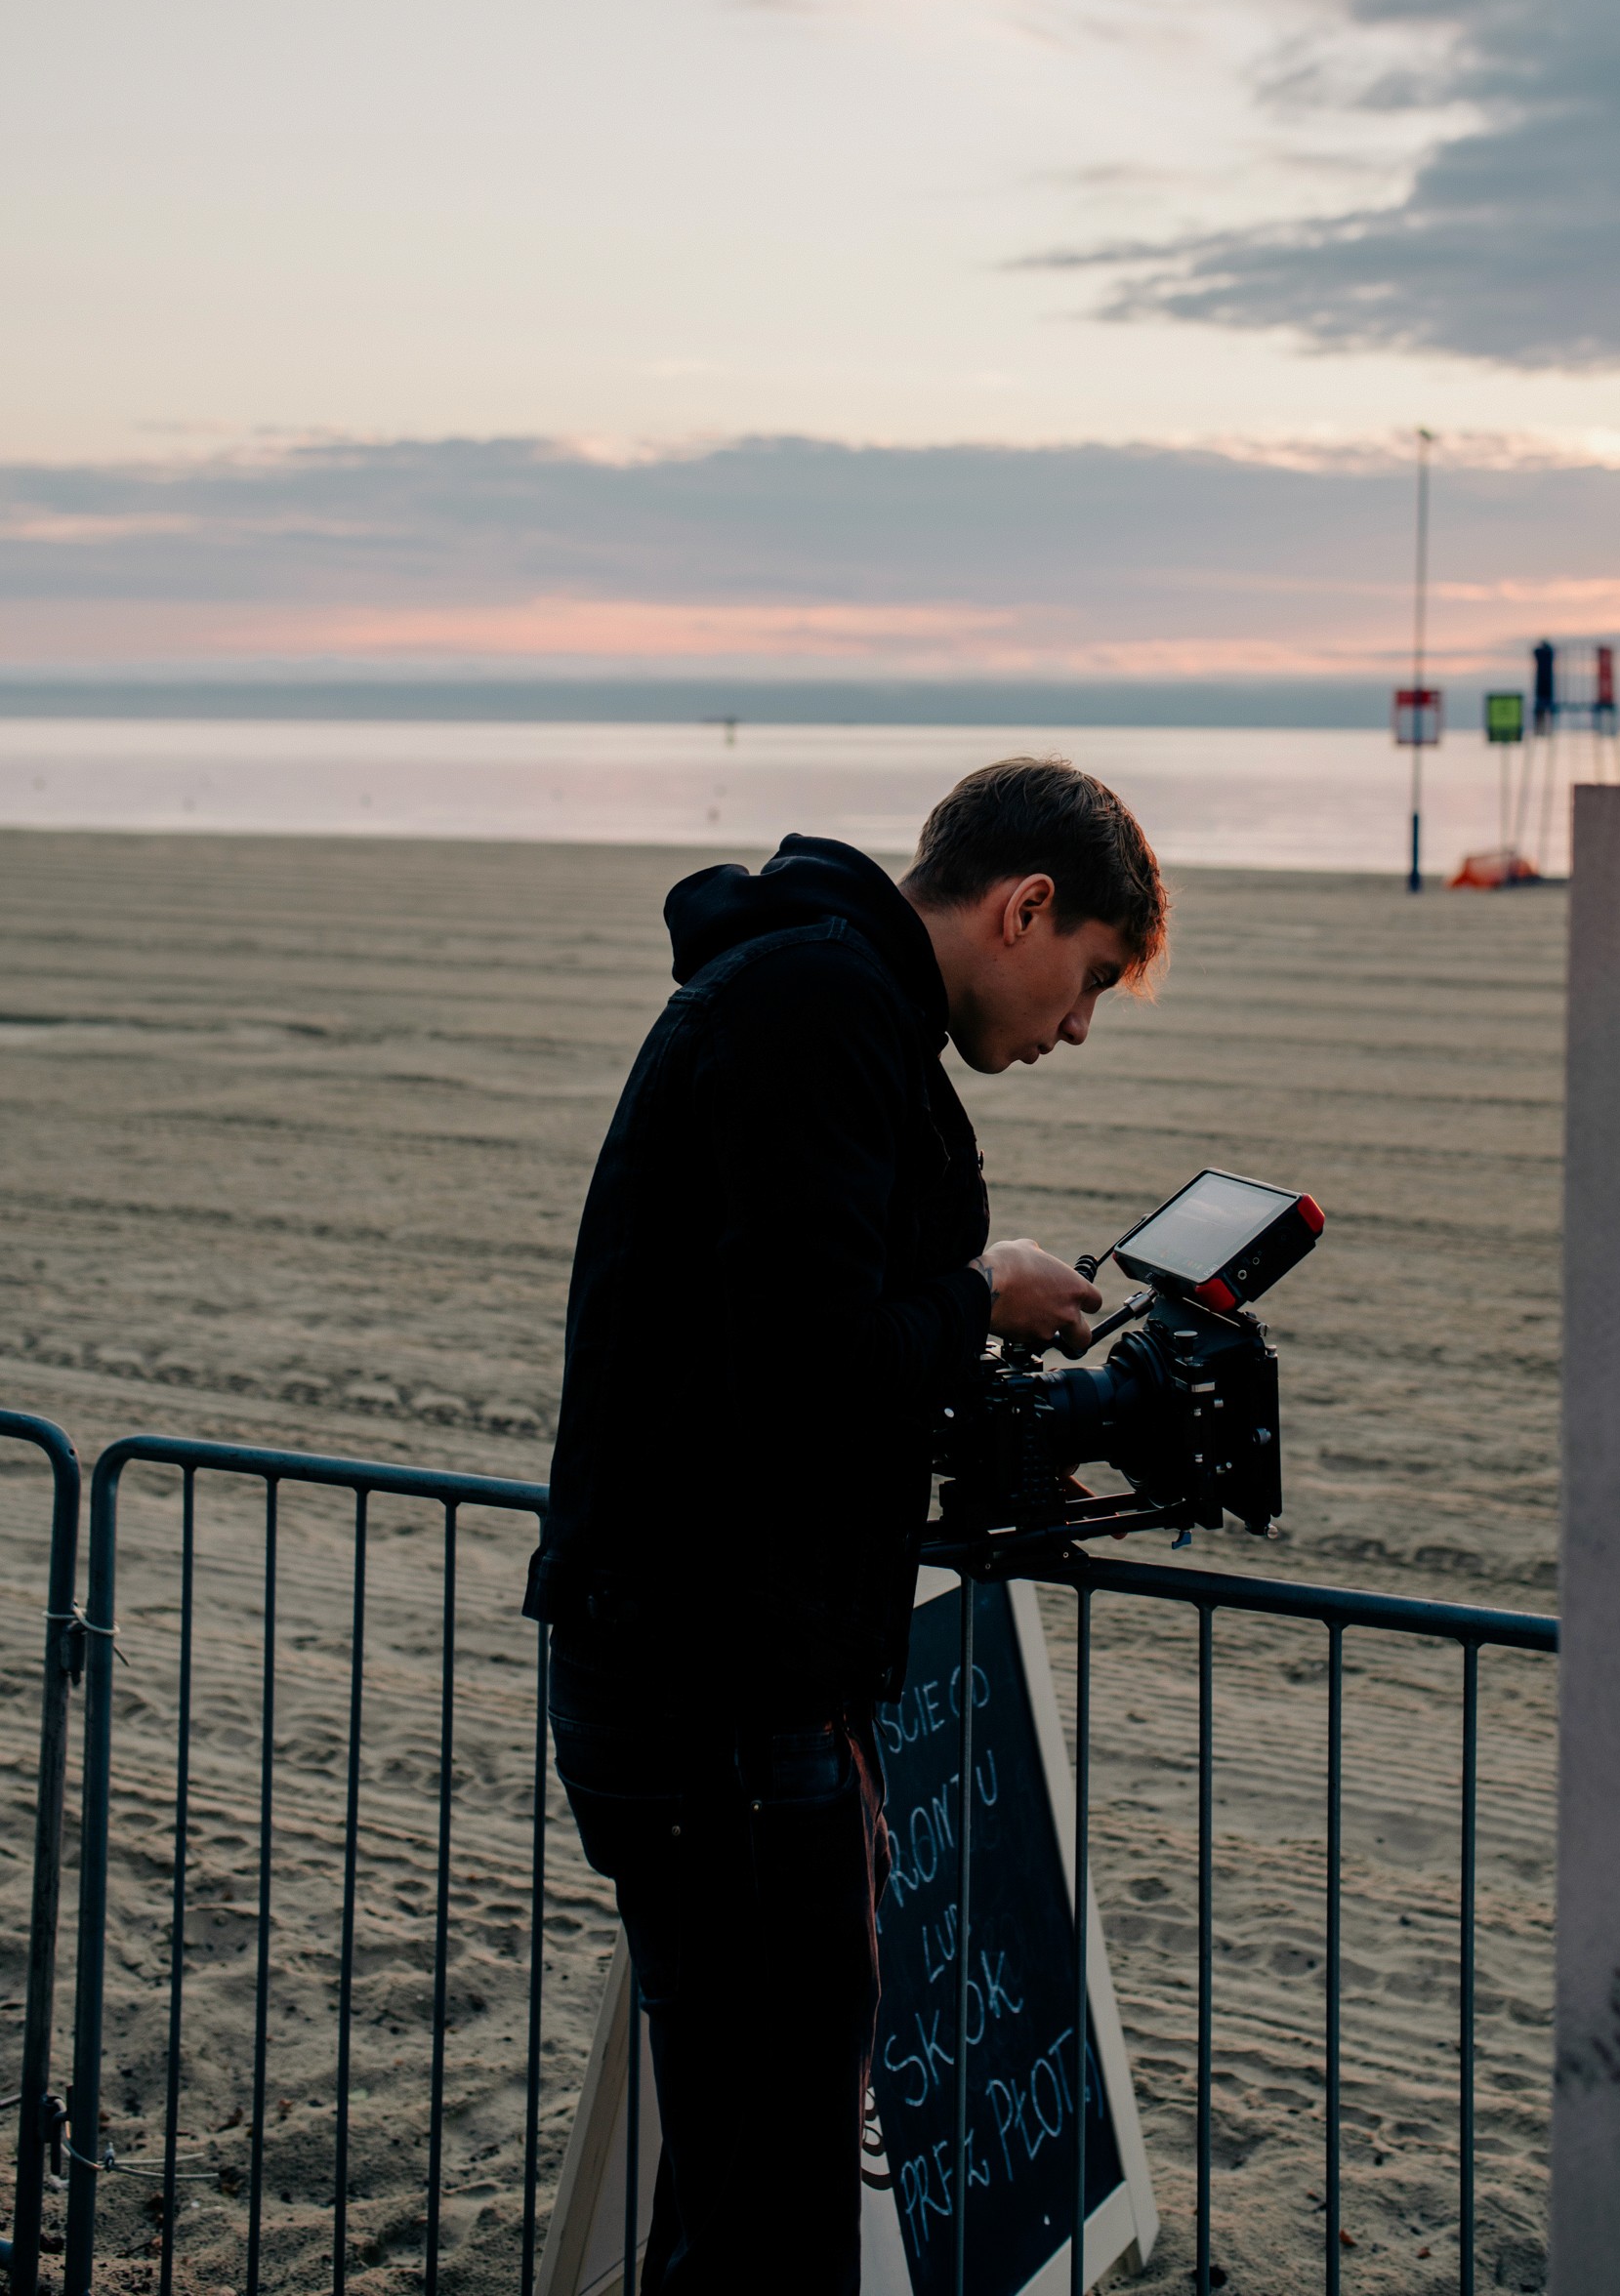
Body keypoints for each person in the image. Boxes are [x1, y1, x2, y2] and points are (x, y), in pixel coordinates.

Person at [525, 755, 1169, 2293]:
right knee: (772, 2216)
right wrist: (981, 1295)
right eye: (1084, 984)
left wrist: (979, 1383)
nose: (1076, 1030)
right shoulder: (814, 1015)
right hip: (717, 1701)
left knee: (748, 2176)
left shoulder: (819, 1000)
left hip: (721, 1681)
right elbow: (807, 1369)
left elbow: (780, 1354)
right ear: (1024, 908)